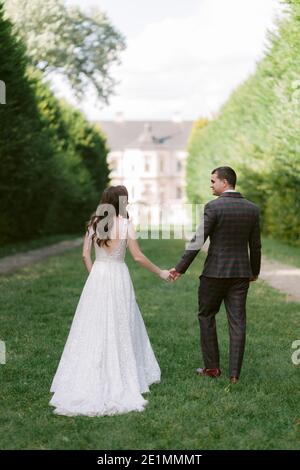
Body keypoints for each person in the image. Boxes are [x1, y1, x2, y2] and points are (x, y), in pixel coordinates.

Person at [49, 185, 171, 417]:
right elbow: (137, 256)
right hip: (118, 276)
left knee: (92, 325)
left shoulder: (94, 224)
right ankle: (122, 373)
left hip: (98, 276)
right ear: (122, 202)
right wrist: (161, 272)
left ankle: (86, 372)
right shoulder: (125, 224)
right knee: (121, 322)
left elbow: (85, 254)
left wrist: (94, 273)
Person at [170, 167, 261, 384]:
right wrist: (254, 272)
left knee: (206, 315)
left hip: (214, 274)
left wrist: (180, 268)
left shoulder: (214, 207)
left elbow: (198, 241)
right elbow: (255, 246)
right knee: (238, 322)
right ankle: (234, 375)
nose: (211, 185)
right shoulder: (252, 209)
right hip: (240, 274)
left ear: (224, 182)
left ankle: (212, 368)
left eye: (213, 181)